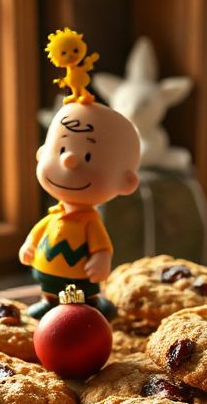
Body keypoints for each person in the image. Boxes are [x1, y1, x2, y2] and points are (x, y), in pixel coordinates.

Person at [19, 100, 141, 318]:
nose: (69, 160)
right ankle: (48, 301)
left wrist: (101, 261)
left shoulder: (90, 223)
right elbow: (37, 234)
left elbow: (102, 249)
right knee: (50, 292)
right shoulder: (53, 217)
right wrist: (30, 245)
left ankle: (91, 307)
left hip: (79, 281)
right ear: (42, 153)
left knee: (83, 301)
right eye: (62, 149)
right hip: (47, 276)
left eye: (88, 157)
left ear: (126, 181)